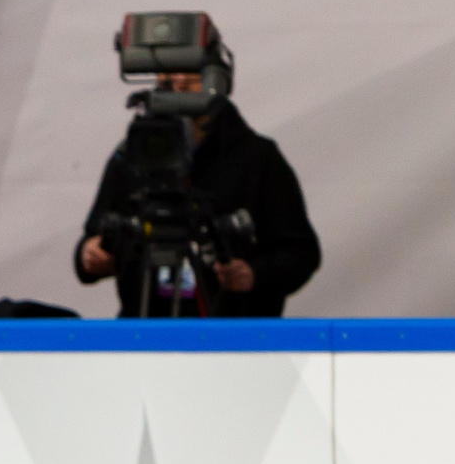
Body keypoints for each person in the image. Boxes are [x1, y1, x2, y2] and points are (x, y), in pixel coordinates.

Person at [74, 73, 320, 316]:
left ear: (216, 75)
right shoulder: (134, 153)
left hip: (232, 330)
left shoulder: (256, 157)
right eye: (170, 69)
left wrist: (254, 275)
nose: (180, 81)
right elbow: (92, 244)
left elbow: (301, 254)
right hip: (145, 329)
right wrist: (91, 254)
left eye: (192, 71)